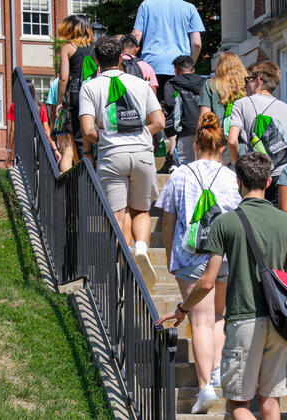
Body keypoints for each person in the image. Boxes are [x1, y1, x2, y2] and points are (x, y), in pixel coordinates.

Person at [157, 152, 287, 419]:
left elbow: (206, 282)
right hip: (279, 320)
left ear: (238, 181)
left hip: (243, 320)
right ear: (269, 182)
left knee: (238, 403)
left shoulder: (225, 222)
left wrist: (182, 309)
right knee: (270, 400)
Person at [155, 112, 242, 413]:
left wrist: (169, 255)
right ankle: (216, 369)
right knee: (218, 316)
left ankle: (205, 387)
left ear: (195, 146)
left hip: (190, 255)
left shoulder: (179, 175)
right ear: (221, 148)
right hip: (225, 255)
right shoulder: (231, 177)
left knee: (200, 320)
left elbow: (168, 222)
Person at [79, 36, 165, 286]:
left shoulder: (90, 87)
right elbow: (159, 122)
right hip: (141, 153)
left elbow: (87, 130)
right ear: (121, 59)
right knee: (141, 209)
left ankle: (120, 268)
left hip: (111, 155)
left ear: (96, 60)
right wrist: (137, 133)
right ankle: (140, 247)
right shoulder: (140, 84)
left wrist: (109, 136)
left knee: (117, 216)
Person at [228, 61, 287, 206]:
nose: (245, 85)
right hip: (282, 176)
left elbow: (232, 141)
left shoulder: (241, 104)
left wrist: (238, 166)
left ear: (258, 80)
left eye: (248, 80)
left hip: (255, 175)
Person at [131, 0, 205, 101]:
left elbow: (136, 35)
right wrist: (190, 63)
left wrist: (128, 61)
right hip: (180, 68)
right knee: (179, 108)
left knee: (153, 107)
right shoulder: (189, 8)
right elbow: (197, 43)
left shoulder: (146, 5)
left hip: (152, 66)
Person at [56, 14, 95, 172]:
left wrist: (59, 101)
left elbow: (64, 78)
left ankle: (84, 175)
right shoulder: (96, 46)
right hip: (95, 90)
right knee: (94, 131)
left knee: (79, 135)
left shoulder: (68, 47)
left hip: (77, 92)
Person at [198, 51, 248, 166]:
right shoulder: (246, 87)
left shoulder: (210, 85)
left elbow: (203, 117)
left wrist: (199, 141)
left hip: (218, 147)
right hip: (243, 146)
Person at [164, 55, 206, 166]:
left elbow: (169, 102)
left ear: (176, 71)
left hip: (184, 129)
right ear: (193, 70)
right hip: (206, 129)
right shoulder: (205, 83)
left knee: (185, 167)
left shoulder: (172, 83)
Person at [6, 81, 60, 167]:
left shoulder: (15, 106)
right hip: (38, 143)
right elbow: (46, 129)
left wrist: (9, 152)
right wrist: (55, 149)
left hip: (22, 144)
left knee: (24, 169)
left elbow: (13, 130)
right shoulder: (41, 107)